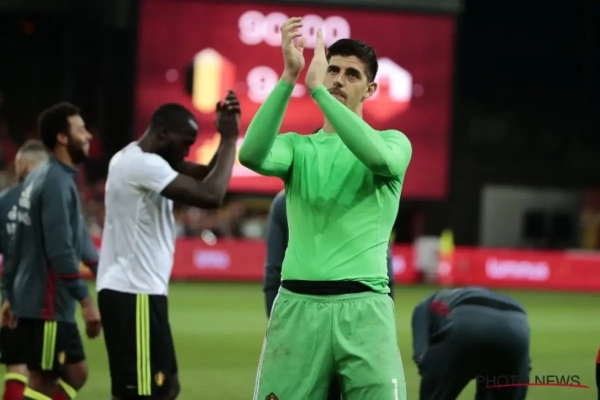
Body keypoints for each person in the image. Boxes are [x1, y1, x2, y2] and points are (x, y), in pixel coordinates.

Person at [239, 17, 412, 400]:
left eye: (352, 74)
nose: (338, 80)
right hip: (297, 307)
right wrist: (289, 76)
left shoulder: (394, 142)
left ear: (370, 89)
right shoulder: (298, 148)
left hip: (365, 309)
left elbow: (380, 160)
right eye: (332, 70)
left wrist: (318, 91)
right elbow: (250, 155)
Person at [96, 91, 241, 400]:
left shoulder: (134, 158)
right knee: (141, 393)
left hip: (140, 292)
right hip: (134, 292)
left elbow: (204, 175)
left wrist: (223, 136)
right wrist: (230, 140)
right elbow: (211, 195)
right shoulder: (141, 165)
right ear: (163, 134)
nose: (187, 151)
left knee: (167, 387)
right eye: (185, 143)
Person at [0, 102, 102, 400]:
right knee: (44, 380)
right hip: (46, 304)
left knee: (76, 374)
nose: (88, 136)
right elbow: (60, 250)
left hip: (37, 300)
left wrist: (10, 293)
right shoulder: (56, 182)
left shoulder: (41, 178)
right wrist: (86, 300)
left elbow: (17, 242)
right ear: (62, 138)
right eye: (81, 130)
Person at [263, 190, 398, 400]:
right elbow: (384, 266)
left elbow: (273, 270)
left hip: (302, 317)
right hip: (362, 318)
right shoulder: (369, 192)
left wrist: (281, 327)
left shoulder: (285, 200)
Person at [411, 286, 531, 400]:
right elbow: (524, 365)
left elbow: (421, 354)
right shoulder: (452, 298)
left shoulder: (428, 303)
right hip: (518, 325)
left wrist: (428, 365)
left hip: (468, 322)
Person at [0, 140, 49, 400]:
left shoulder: (3, 202)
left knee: (15, 368)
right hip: (46, 298)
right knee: (48, 375)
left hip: (11, 296)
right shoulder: (48, 201)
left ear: (22, 167)